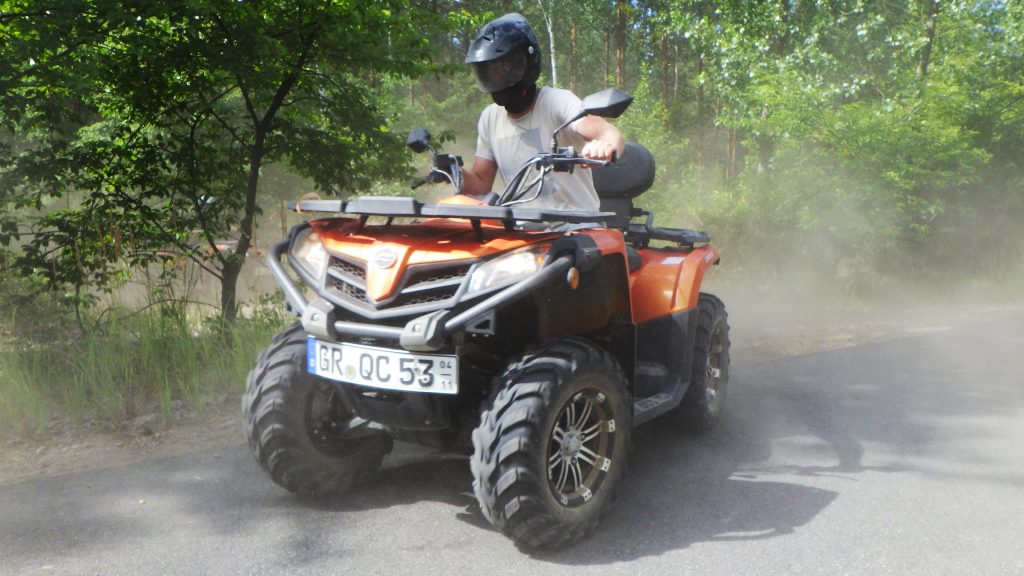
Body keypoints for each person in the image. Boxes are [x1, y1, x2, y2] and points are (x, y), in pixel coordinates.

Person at [460, 13, 625, 212]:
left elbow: (608, 133)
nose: (497, 78)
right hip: (522, 233)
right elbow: (481, 182)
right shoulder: (489, 118)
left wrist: (605, 147)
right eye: (490, 72)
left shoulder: (556, 102)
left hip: (576, 228)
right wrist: (452, 172)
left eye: (504, 68)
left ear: (527, 64)